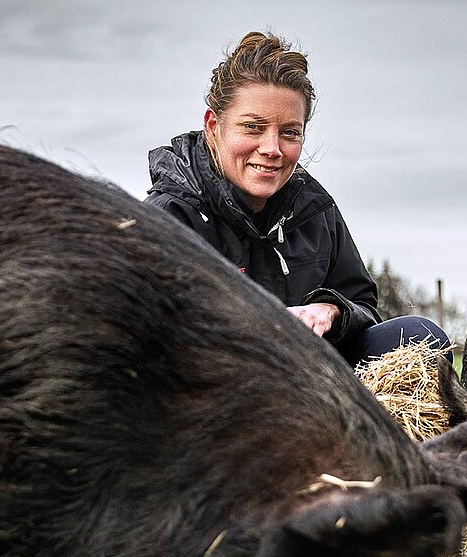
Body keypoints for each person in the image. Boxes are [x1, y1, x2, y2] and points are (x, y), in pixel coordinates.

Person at [145, 30, 449, 366]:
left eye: (289, 132)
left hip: (311, 377)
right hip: (220, 386)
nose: (272, 149)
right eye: (253, 127)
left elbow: (361, 302)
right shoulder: (166, 220)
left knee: (421, 337)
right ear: (213, 125)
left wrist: (331, 309)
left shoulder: (314, 208)